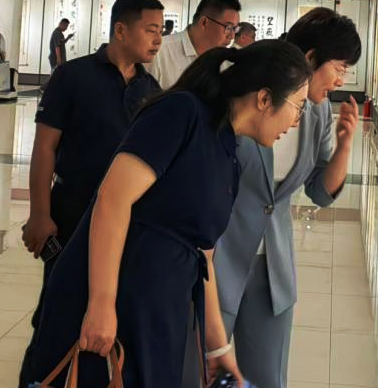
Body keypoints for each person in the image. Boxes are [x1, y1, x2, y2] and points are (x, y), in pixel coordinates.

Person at [24, 40, 312, 388]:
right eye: (298, 107)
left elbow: (204, 255)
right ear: (264, 99)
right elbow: (113, 199)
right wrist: (101, 303)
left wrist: (217, 347)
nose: (296, 121)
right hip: (114, 295)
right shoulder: (182, 113)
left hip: (161, 308)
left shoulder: (228, 152)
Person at [18, 0, 165, 388]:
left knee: (108, 313)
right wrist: (40, 213)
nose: (158, 40)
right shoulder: (73, 76)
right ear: (121, 30)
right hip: (71, 212)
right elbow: (45, 148)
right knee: (57, 310)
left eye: (161, 31)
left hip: (125, 223)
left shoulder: (151, 89)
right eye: (150, 30)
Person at [213, 8, 361, 388]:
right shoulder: (249, 93)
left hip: (272, 265)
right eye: (339, 67)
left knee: (267, 377)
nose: (341, 79)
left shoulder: (318, 112)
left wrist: (344, 147)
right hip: (219, 257)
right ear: (310, 58)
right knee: (202, 370)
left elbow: (319, 191)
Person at [149, 0, 241, 89]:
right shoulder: (160, 53)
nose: (232, 36)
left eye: (235, 29)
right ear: (204, 22)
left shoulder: (225, 63)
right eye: (228, 28)